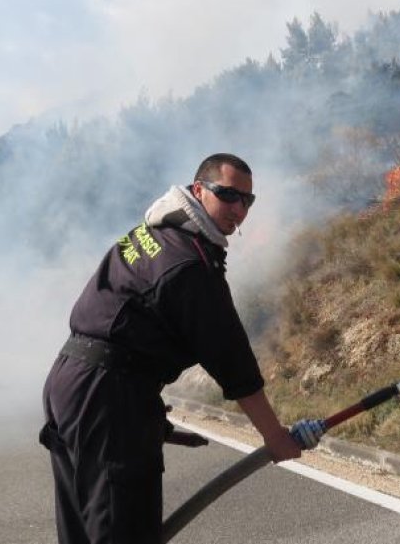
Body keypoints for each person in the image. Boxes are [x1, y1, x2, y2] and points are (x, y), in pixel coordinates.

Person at [39, 153, 324, 544]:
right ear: (197, 191)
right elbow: (234, 364)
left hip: (74, 384)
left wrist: (146, 418)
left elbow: (124, 328)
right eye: (228, 195)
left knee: (83, 532)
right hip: (106, 395)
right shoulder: (188, 264)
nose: (239, 209)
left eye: (248, 200)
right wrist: (275, 437)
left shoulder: (153, 236)